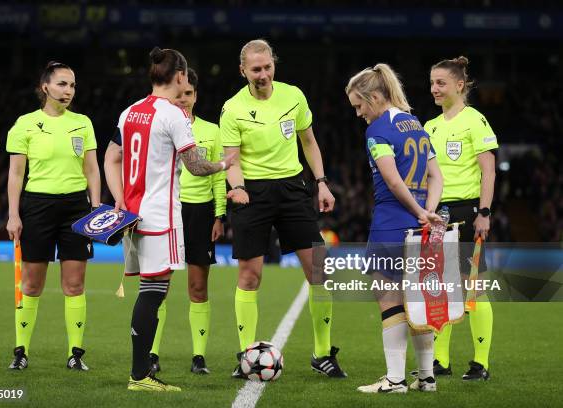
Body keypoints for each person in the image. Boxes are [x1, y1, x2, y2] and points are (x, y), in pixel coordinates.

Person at [104, 47, 234, 392]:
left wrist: (119, 198)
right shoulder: (173, 114)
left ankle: (141, 372)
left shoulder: (130, 111)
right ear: (179, 77)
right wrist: (225, 164)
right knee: (152, 292)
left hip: (132, 215)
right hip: (159, 215)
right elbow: (195, 166)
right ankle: (139, 375)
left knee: (150, 290)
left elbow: (110, 158)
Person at [220, 39, 346, 378]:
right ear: (243, 70)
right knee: (250, 276)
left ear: (274, 65)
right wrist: (238, 188)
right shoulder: (232, 108)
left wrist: (321, 182)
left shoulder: (294, 96)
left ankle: (322, 354)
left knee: (318, 271)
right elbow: (231, 159)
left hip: (293, 188)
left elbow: (308, 141)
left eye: (267, 67)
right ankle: (246, 357)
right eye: (255, 69)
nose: (262, 75)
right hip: (253, 193)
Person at [345, 63, 443, 393]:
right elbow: (436, 177)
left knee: (390, 300)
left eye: (359, 106)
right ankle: (426, 378)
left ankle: (395, 379)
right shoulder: (414, 123)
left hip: (392, 222)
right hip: (421, 225)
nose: (358, 114)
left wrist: (417, 210)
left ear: (373, 97)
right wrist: (428, 211)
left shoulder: (378, 131)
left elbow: (391, 179)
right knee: (418, 301)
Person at [6, 61, 101, 371]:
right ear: (45, 87)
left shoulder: (83, 123)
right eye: (62, 84)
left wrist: (96, 208)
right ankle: (21, 352)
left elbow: (91, 169)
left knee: (74, 285)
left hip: (76, 208)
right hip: (37, 207)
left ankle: (75, 354)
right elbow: (16, 173)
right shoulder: (25, 124)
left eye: (72, 85)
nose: (68, 91)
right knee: (31, 285)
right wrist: (13, 214)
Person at [148, 68, 226, 375]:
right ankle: (152, 354)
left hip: (200, 213)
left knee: (197, 287)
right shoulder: (160, 126)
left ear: (196, 95)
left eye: (189, 94)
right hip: (166, 210)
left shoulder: (211, 131)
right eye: (179, 95)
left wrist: (219, 215)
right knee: (159, 287)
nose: (184, 100)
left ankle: (198, 357)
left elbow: (219, 178)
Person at [425, 56, 497, 381]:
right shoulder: (430, 127)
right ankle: (440, 361)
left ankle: (481, 363)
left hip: (468, 213)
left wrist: (484, 212)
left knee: (473, 290)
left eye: (440, 83)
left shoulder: (475, 121)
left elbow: (489, 171)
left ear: (459, 84)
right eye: (431, 83)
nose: (434, 89)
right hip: (438, 216)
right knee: (440, 288)